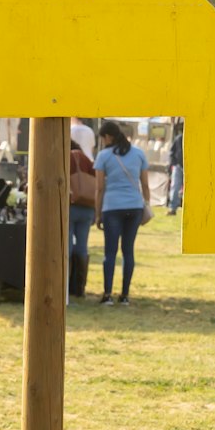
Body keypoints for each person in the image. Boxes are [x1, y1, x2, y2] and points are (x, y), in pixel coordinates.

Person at [93, 122, 149, 305]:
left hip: (112, 206)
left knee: (110, 252)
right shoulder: (139, 154)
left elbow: (100, 188)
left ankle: (107, 294)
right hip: (134, 206)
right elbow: (145, 184)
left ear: (108, 137)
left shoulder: (104, 156)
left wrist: (98, 213)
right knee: (128, 251)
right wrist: (146, 204)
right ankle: (125, 295)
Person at [68, 141, 97, 299]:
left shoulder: (67, 158)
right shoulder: (86, 160)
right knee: (82, 247)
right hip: (87, 208)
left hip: (71, 206)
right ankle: (79, 288)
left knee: (67, 247)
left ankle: (65, 286)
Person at [168, 122, 184, 214]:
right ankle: (173, 208)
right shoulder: (178, 139)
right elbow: (171, 152)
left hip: (189, 168)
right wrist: (173, 163)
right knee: (175, 187)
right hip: (178, 166)